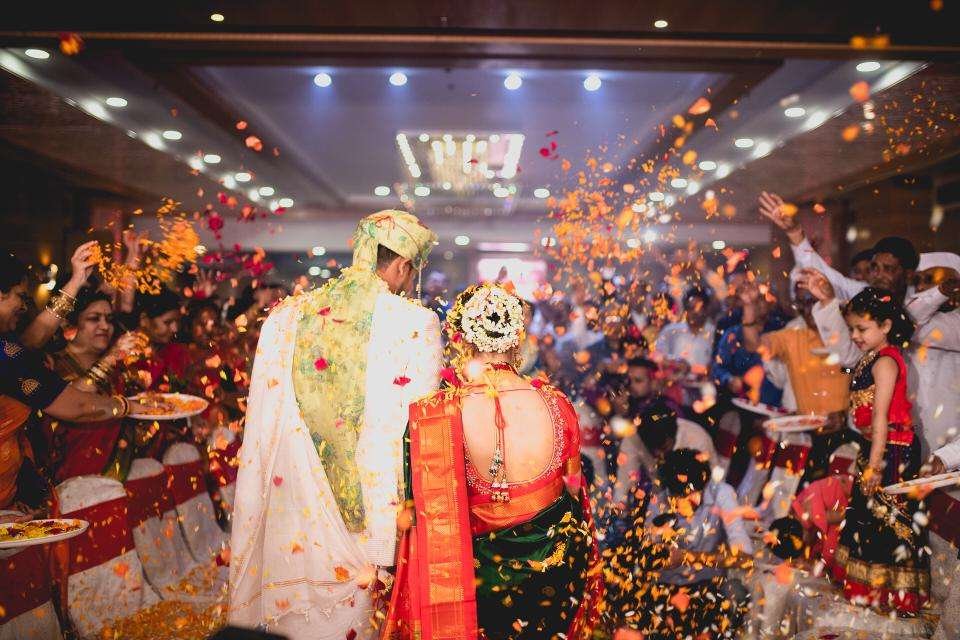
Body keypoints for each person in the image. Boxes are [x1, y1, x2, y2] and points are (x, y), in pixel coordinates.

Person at [228, 210, 442, 640]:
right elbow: (416, 432)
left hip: (289, 506)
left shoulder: (286, 316)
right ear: (403, 265)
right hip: (371, 522)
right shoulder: (416, 322)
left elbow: (262, 426)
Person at [383, 283, 602, 640]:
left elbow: (424, 516)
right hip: (555, 572)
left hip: (481, 581)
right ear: (518, 339)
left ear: (462, 341)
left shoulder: (436, 414)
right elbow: (575, 492)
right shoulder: (557, 403)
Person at [0, 252, 149, 520]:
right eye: (20, 296)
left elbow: (31, 340)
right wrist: (127, 406)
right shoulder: (10, 356)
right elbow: (76, 406)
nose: (24, 306)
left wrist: (77, 280)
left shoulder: (9, 349)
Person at [831, 288, 929, 615]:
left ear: (885, 326)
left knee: (887, 522)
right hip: (877, 447)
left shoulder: (886, 361)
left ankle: (889, 596)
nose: (855, 336)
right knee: (867, 517)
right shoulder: (871, 356)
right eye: (852, 329)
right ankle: (867, 591)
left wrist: (874, 466)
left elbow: (880, 417)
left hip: (893, 452)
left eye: (862, 329)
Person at [621, 448, 753, 639]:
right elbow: (646, 558)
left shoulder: (722, 494)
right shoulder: (659, 501)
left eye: (691, 495)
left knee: (737, 595)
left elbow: (745, 559)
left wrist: (689, 558)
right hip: (667, 588)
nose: (684, 502)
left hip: (709, 585)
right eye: (678, 497)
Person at [741, 281, 851, 481]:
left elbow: (866, 380)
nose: (807, 309)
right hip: (804, 435)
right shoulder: (794, 335)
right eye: (801, 303)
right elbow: (754, 345)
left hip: (844, 437)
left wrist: (846, 415)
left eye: (813, 301)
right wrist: (748, 307)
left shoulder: (850, 332)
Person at [46, 288, 144, 481]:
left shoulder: (118, 368)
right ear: (71, 322)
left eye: (109, 319)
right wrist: (111, 357)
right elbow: (70, 402)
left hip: (120, 478)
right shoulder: (53, 364)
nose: (105, 326)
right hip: (71, 481)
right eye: (94, 318)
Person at [653, 286, 715, 376]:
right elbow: (656, 356)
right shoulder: (671, 331)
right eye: (690, 308)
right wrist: (673, 364)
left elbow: (717, 366)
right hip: (675, 382)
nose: (694, 312)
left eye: (698, 308)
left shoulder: (714, 333)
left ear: (706, 309)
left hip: (705, 383)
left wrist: (693, 369)